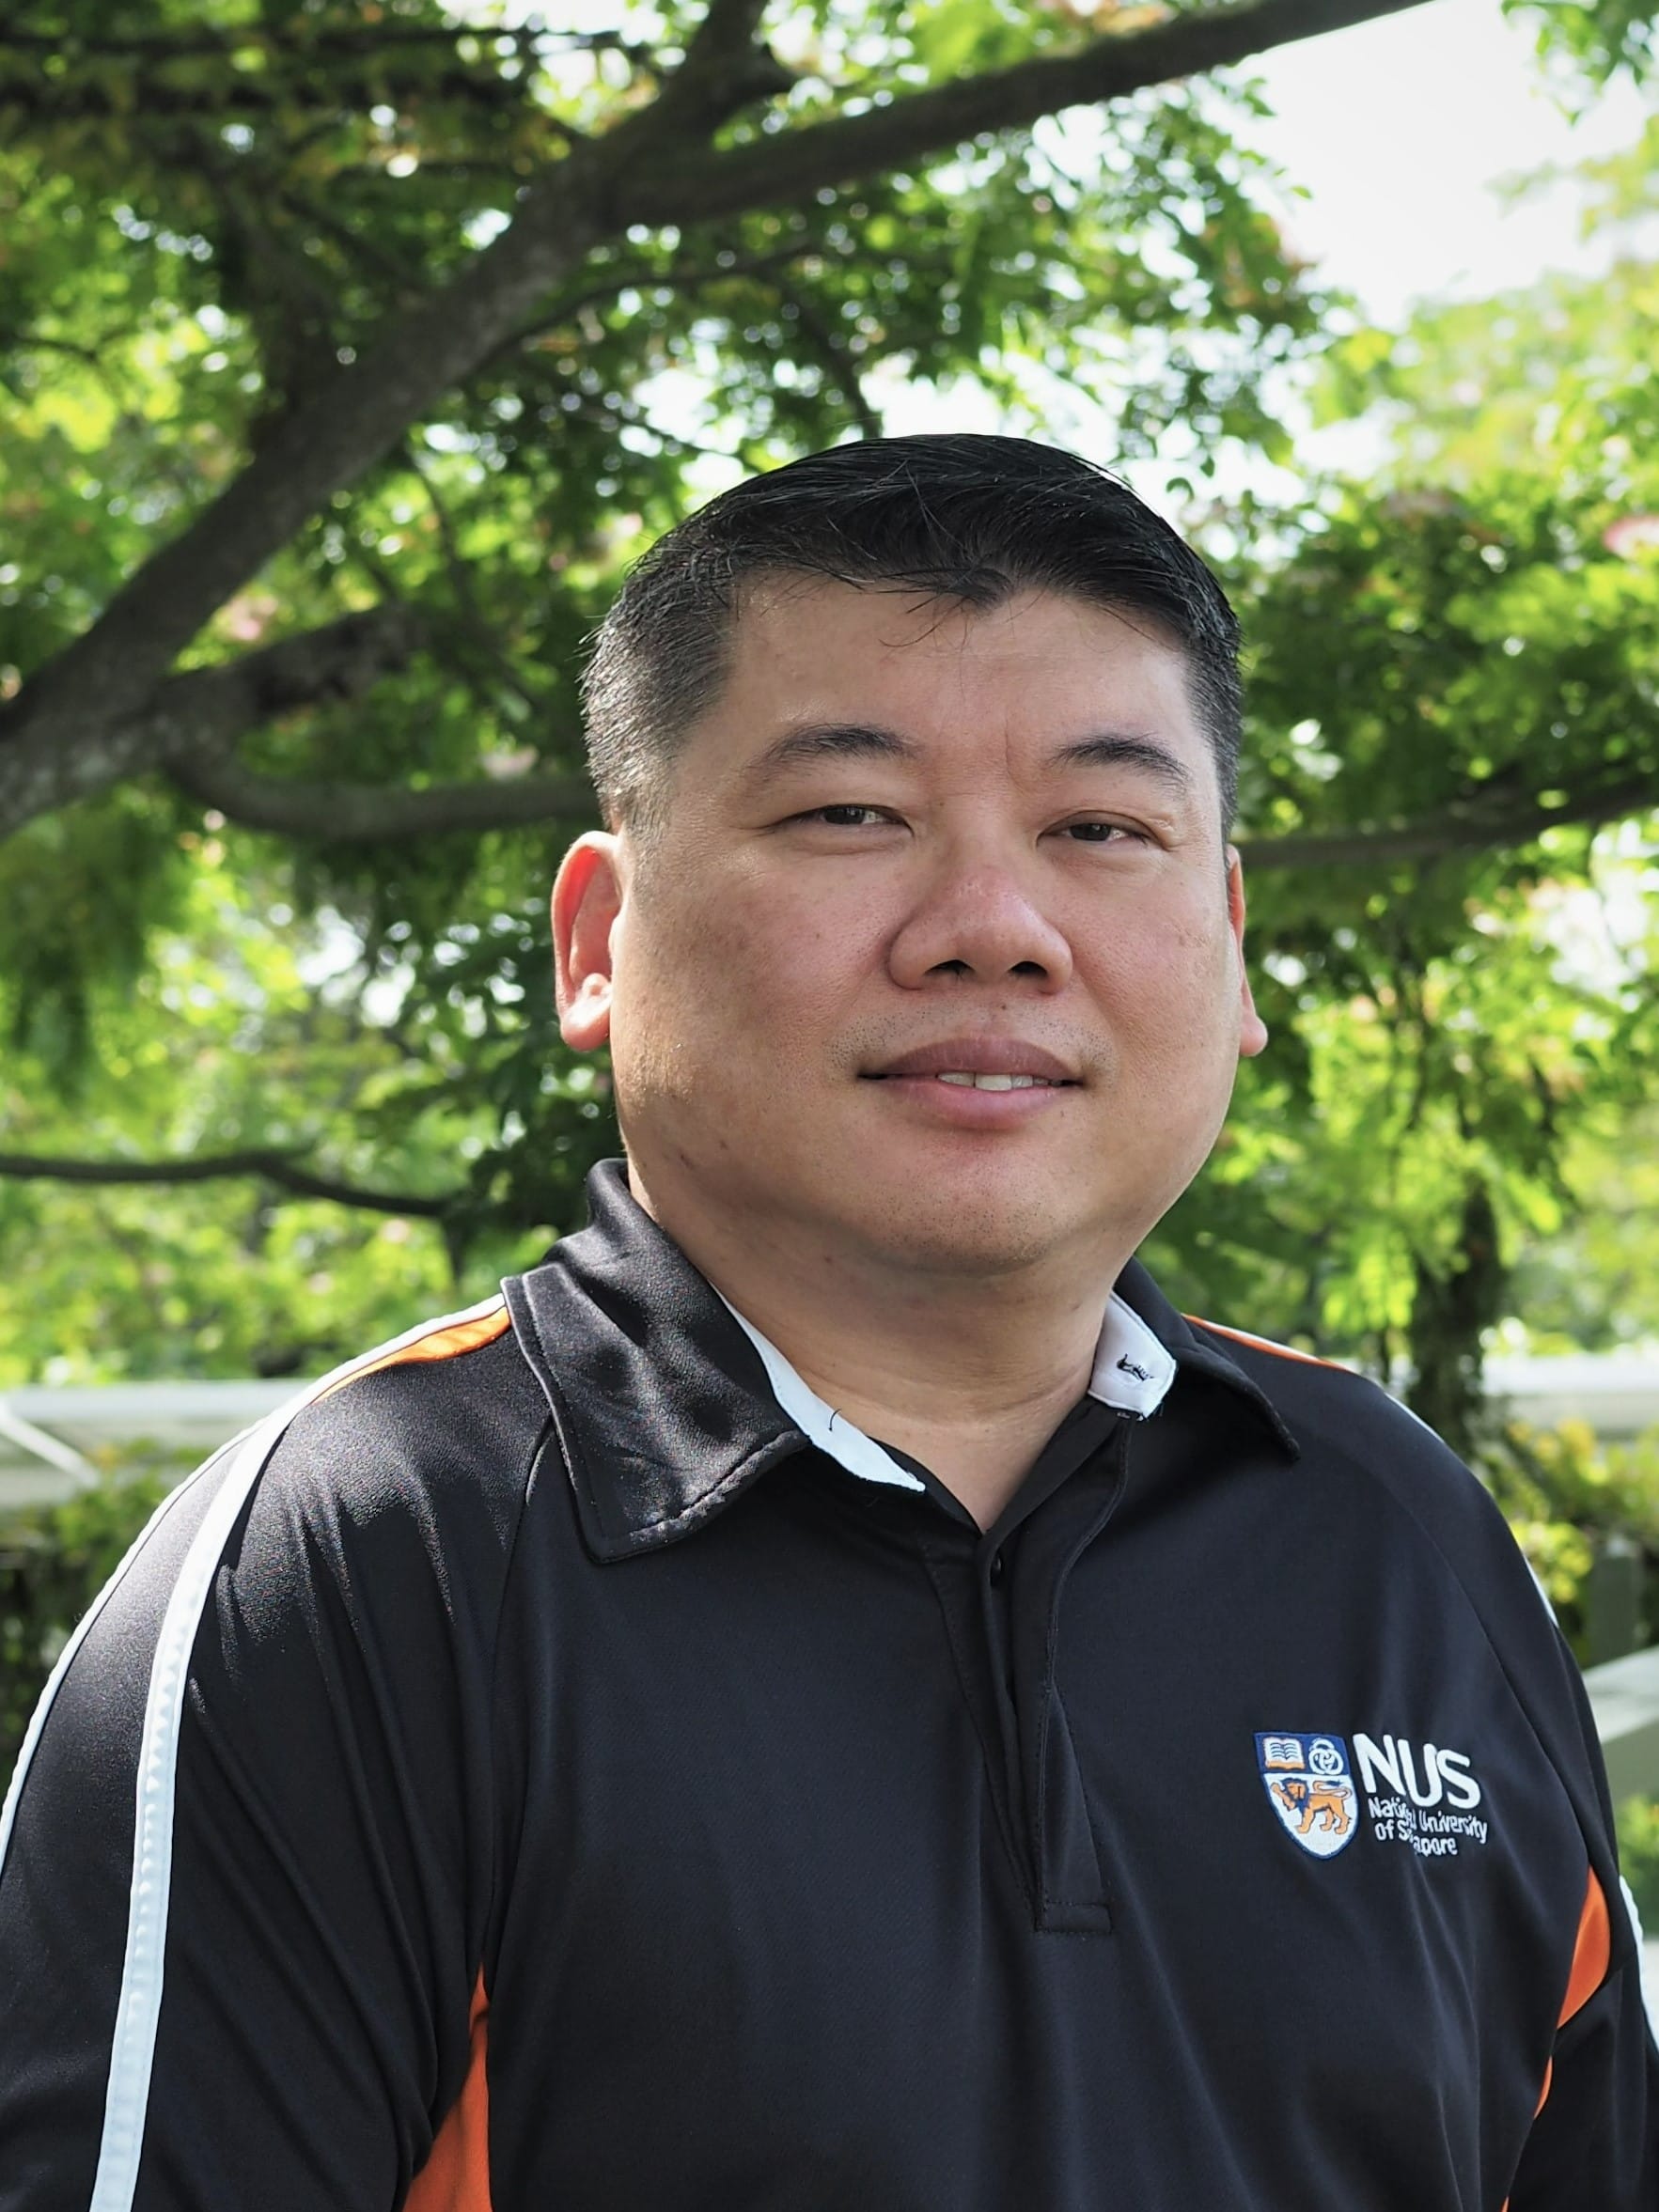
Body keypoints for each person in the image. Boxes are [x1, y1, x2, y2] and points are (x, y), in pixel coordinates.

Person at [0, 434, 1652, 2212]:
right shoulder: (357, 1563)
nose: (995, 929)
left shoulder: (1396, 1531)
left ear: (1231, 938)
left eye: (1101, 827)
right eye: (851, 813)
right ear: (597, 941)